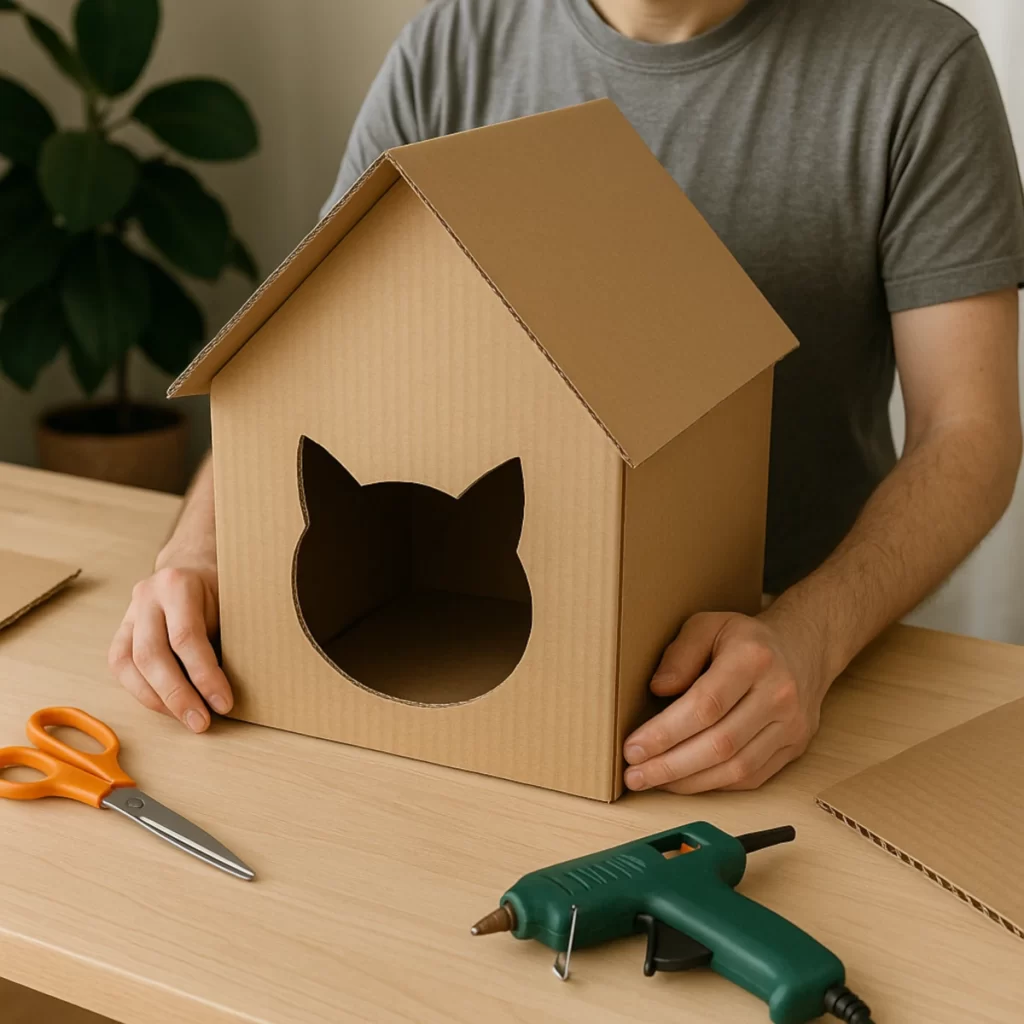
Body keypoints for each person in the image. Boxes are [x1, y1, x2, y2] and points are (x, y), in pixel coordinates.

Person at [110, 0, 1024, 795]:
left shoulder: (915, 64)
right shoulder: (453, 46)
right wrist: (199, 554)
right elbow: (305, 356)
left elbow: (968, 430)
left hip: (773, 684)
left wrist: (810, 639)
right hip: (453, 652)